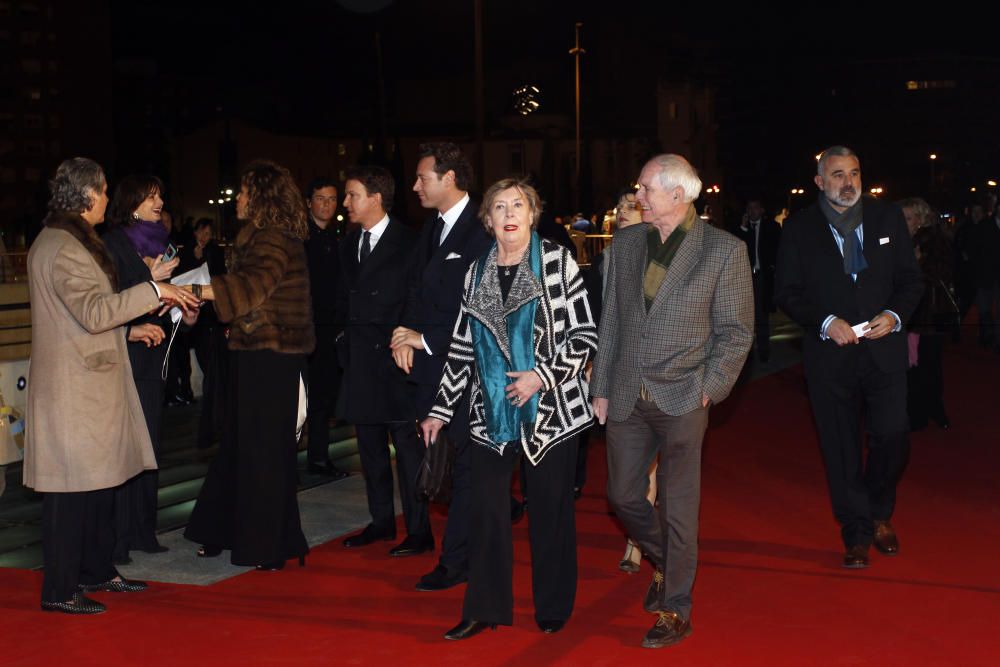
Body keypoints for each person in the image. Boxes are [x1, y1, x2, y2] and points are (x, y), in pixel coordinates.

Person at [421, 177, 597, 640]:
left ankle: (553, 605)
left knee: (549, 511)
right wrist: (440, 410)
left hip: (551, 411)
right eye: (499, 207)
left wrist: (543, 374)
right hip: (489, 414)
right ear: (489, 220)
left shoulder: (557, 263)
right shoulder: (475, 272)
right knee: (485, 512)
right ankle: (484, 607)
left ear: (533, 214)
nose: (509, 213)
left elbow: (584, 336)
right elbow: (461, 348)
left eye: (517, 205)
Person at [590, 154, 753, 649]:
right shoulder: (625, 243)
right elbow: (612, 321)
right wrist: (600, 385)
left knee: (680, 509)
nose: (637, 196)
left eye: (644, 189)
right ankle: (665, 561)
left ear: (677, 196)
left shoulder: (724, 251)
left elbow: (736, 331)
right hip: (626, 393)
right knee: (621, 497)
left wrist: (712, 385)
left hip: (684, 395)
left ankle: (676, 607)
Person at [25, 157, 197, 614]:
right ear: (85, 196)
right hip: (74, 390)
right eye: (102, 191)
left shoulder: (71, 241)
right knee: (69, 494)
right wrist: (155, 292)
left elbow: (78, 317)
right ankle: (60, 589)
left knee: (99, 486)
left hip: (88, 383)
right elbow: (93, 311)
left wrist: (129, 330)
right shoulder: (63, 246)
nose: (107, 198)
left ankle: (96, 571)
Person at [775, 146, 923, 570]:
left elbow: (911, 281)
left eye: (855, 173)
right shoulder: (800, 228)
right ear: (820, 182)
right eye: (838, 174)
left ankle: (879, 511)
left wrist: (895, 316)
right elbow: (786, 291)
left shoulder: (887, 218)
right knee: (840, 447)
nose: (848, 182)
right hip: (830, 357)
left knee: (893, 435)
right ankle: (857, 530)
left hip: (885, 352)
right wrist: (824, 321)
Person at [183, 160, 315, 571]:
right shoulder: (263, 236)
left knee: (263, 449)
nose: (237, 198)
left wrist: (192, 290)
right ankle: (223, 530)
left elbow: (249, 288)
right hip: (257, 352)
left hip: (271, 354)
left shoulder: (272, 238)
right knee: (242, 443)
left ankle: (267, 544)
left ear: (259, 197)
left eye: (242, 192)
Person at [391, 142, 491, 590]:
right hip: (429, 373)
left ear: (449, 179)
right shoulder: (431, 228)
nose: (415, 187)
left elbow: (479, 311)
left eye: (422, 178)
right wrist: (403, 333)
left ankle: (457, 562)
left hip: (470, 374)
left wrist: (425, 339)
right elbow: (414, 290)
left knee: (465, 468)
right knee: (443, 466)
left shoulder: (481, 231)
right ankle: (467, 545)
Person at [336, 166, 430, 556]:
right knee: (370, 449)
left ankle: (420, 531)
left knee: (407, 452)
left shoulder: (410, 242)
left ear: (375, 198)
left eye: (352, 195)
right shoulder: (348, 243)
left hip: (395, 360)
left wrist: (406, 339)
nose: (345, 203)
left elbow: (418, 297)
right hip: (359, 360)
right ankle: (381, 522)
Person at [103, 174, 194, 565]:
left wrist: (179, 303)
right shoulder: (112, 244)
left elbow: (154, 301)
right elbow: (108, 303)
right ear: (133, 201)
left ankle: (144, 531)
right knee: (126, 450)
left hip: (154, 354)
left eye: (160, 195)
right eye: (152, 196)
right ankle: (118, 538)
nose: (159, 202)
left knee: (151, 447)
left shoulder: (159, 242)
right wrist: (152, 280)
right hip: (126, 355)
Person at [588, 186, 657, 575]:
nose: (622, 213)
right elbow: (600, 316)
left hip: (650, 375)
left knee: (647, 462)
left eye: (630, 207)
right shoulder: (607, 258)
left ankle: (637, 542)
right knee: (624, 468)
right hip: (611, 367)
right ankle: (644, 528)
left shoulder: (653, 258)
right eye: (618, 208)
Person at [302, 178, 348, 478]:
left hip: (329, 332)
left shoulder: (335, 238)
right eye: (321, 198)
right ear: (309, 202)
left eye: (332, 199)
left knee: (322, 400)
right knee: (306, 401)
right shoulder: (301, 239)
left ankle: (319, 457)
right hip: (307, 330)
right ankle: (314, 459)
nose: (327, 204)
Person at [899, 197, 955, 430]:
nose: (905, 222)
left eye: (909, 217)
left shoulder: (932, 240)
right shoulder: (904, 239)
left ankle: (926, 412)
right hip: (912, 313)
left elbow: (941, 272)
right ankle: (924, 411)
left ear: (921, 218)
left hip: (928, 313)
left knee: (925, 365)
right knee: (915, 365)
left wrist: (917, 264)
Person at [177, 218, 228, 450]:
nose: (206, 236)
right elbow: (181, 279)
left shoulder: (215, 251)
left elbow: (221, 278)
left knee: (212, 367)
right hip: (195, 316)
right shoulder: (186, 251)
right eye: (202, 232)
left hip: (212, 316)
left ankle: (215, 419)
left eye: (209, 232)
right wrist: (194, 258)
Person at [733, 198, 781, 362]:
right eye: (749, 208)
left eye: (755, 208)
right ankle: (746, 352)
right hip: (746, 278)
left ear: (761, 210)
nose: (752, 211)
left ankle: (763, 352)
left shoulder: (772, 227)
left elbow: (778, 250)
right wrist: (743, 228)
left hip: (763, 277)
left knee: (762, 316)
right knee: (745, 315)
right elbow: (737, 246)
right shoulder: (744, 229)